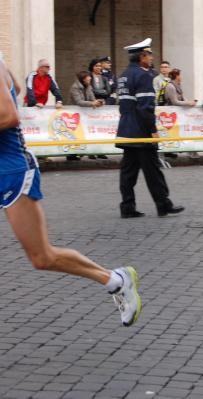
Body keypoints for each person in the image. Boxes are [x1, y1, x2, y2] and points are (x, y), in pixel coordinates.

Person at [0, 58, 141, 327]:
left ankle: (115, 280)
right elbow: (17, 86)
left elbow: (8, 115)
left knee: (42, 257)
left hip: (12, 171)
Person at [116, 38, 185, 218]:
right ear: (142, 57)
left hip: (126, 129)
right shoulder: (144, 76)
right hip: (141, 131)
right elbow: (145, 106)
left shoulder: (123, 75)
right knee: (153, 170)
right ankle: (163, 204)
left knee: (128, 172)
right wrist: (152, 129)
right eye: (149, 54)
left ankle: (127, 207)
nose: (152, 57)